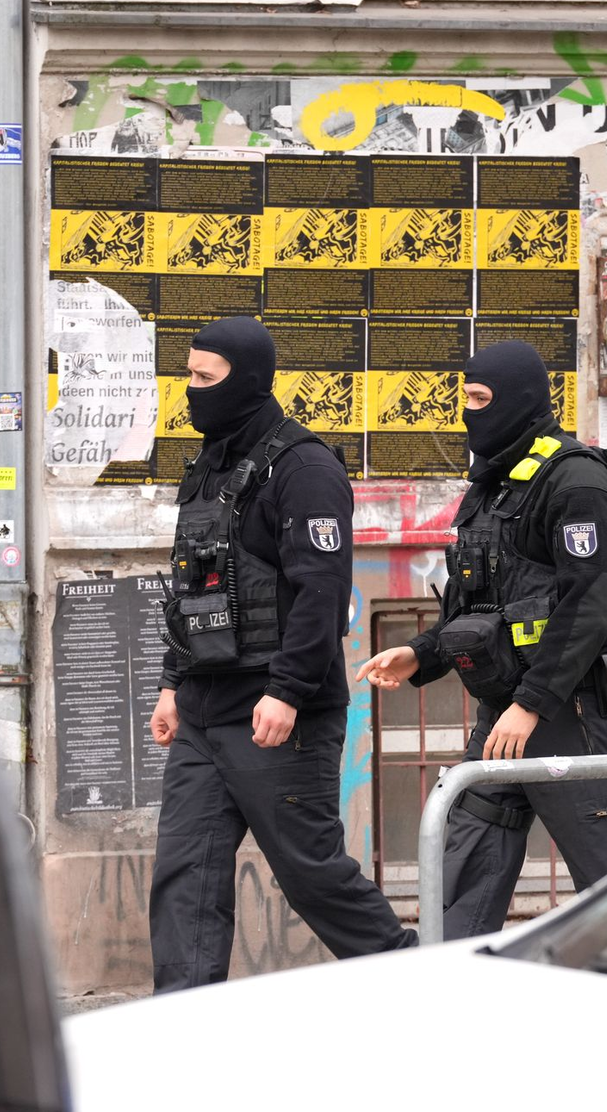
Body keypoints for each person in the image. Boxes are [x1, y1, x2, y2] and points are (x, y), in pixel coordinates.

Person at [148, 316, 415, 993]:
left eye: (204, 377)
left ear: (246, 381)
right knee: (185, 877)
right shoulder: (208, 466)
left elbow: (322, 591)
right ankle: (178, 1021)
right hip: (203, 713)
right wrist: (172, 683)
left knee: (311, 875)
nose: (190, 390)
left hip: (277, 715)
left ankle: (416, 984)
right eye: (188, 375)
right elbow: (191, 586)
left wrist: (288, 691)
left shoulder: (305, 468)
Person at [356, 341, 607, 940]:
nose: (468, 412)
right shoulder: (494, 485)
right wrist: (421, 655)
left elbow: (588, 608)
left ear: (517, 399)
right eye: (465, 398)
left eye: (480, 399)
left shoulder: (577, 480)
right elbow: (479, 606)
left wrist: (532, 704)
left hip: (570, 715)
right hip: (504, 715)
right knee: (459, 887)